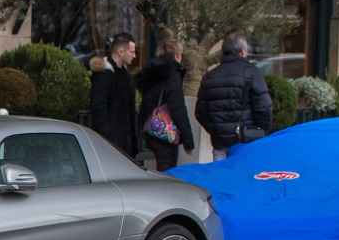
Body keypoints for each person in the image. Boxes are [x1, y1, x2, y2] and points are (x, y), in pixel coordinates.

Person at [195, 33, 272, 161]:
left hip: (220, 142)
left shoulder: (209, 76)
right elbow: (264, 107)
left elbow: (200, 112)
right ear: (243, 50)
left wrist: (216, 129)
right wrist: (261, 131)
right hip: (247, 140)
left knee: (222, 178)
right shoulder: (252, 72)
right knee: (244, 178)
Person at [135, 38, 196, 171]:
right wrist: (188, 142)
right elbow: (179, 109)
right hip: (165, 133)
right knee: (168, 173)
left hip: (152, 129)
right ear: (176, 55)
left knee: (162, 169)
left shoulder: (151, 73)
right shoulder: (172, 75)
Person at [90, 32, 138, 157]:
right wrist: (108, 136)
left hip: (123, 142)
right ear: (121, 52)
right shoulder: (103, 75)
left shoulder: (125, 75)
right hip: (110, 142)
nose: (134, 55)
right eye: (132, 52)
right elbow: (99, 107)